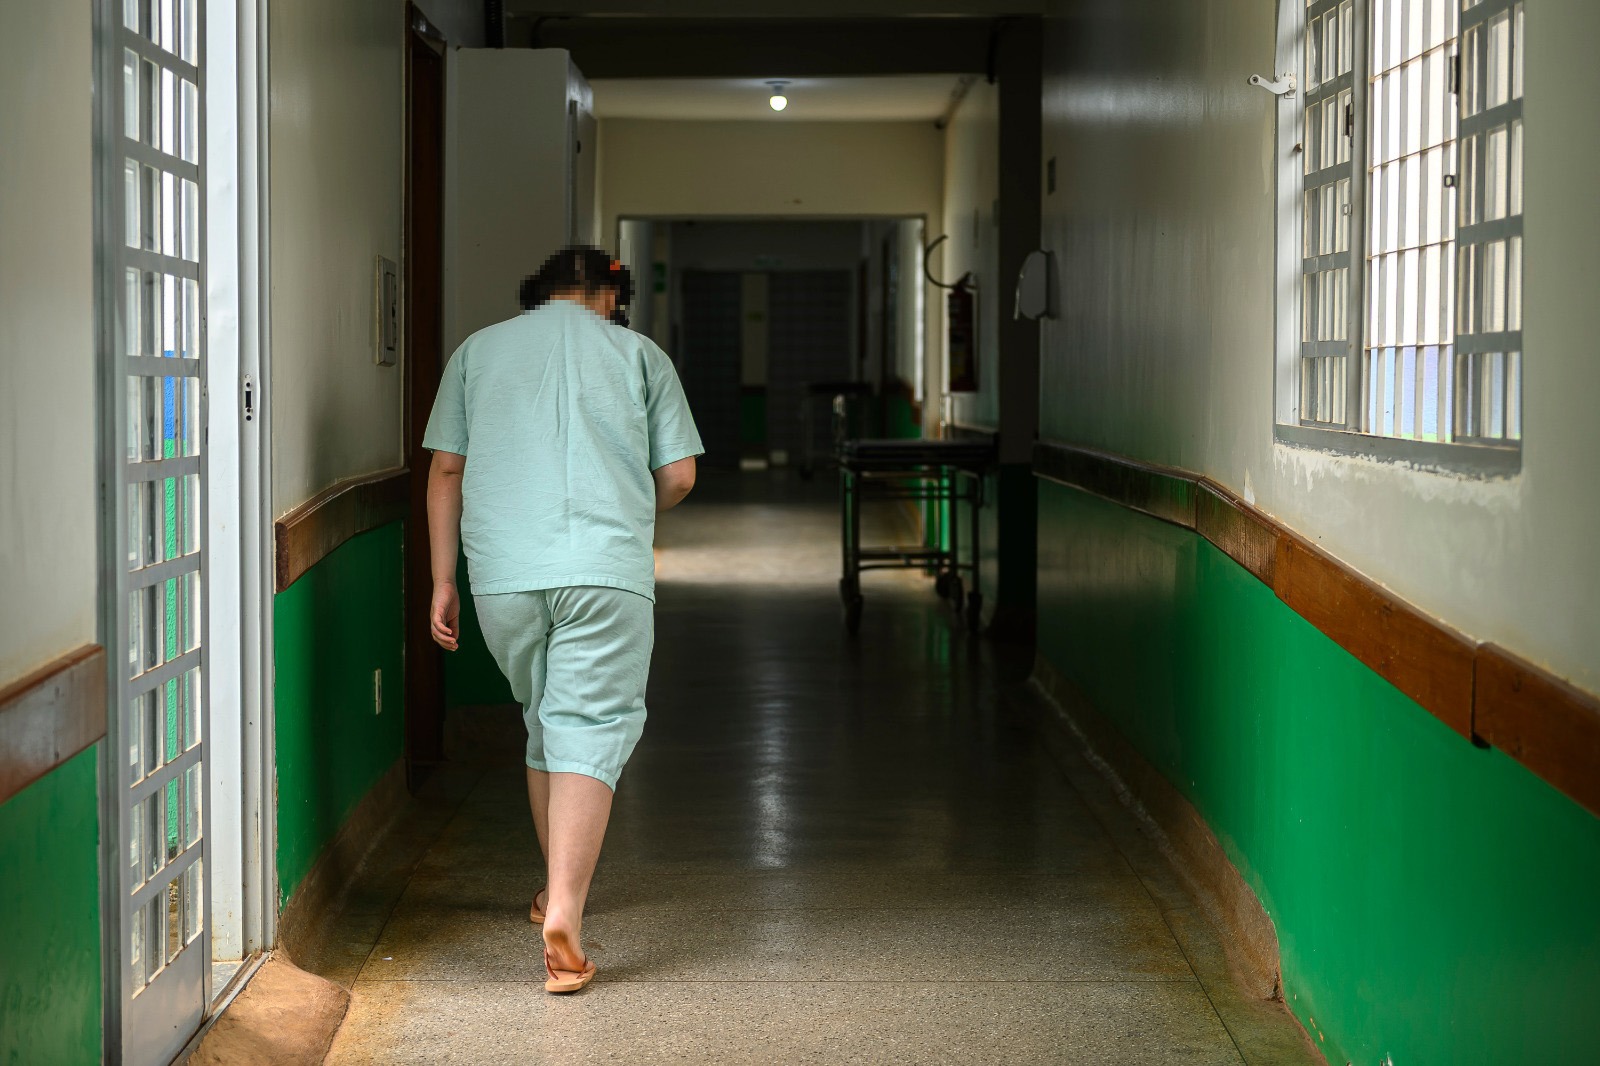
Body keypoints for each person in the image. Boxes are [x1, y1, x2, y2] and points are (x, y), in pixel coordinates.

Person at [422, 245, 702, 994]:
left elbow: (446, 469)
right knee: (590, 722)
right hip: (605, 571)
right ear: (612, 296)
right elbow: (678, 474)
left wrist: (443, 578)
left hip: (505, 575)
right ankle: (567, 916)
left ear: (537, 293)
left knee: (544, 721)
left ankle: (552, 889)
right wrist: (633, 504)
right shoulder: (640, 354)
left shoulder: (477, 352)